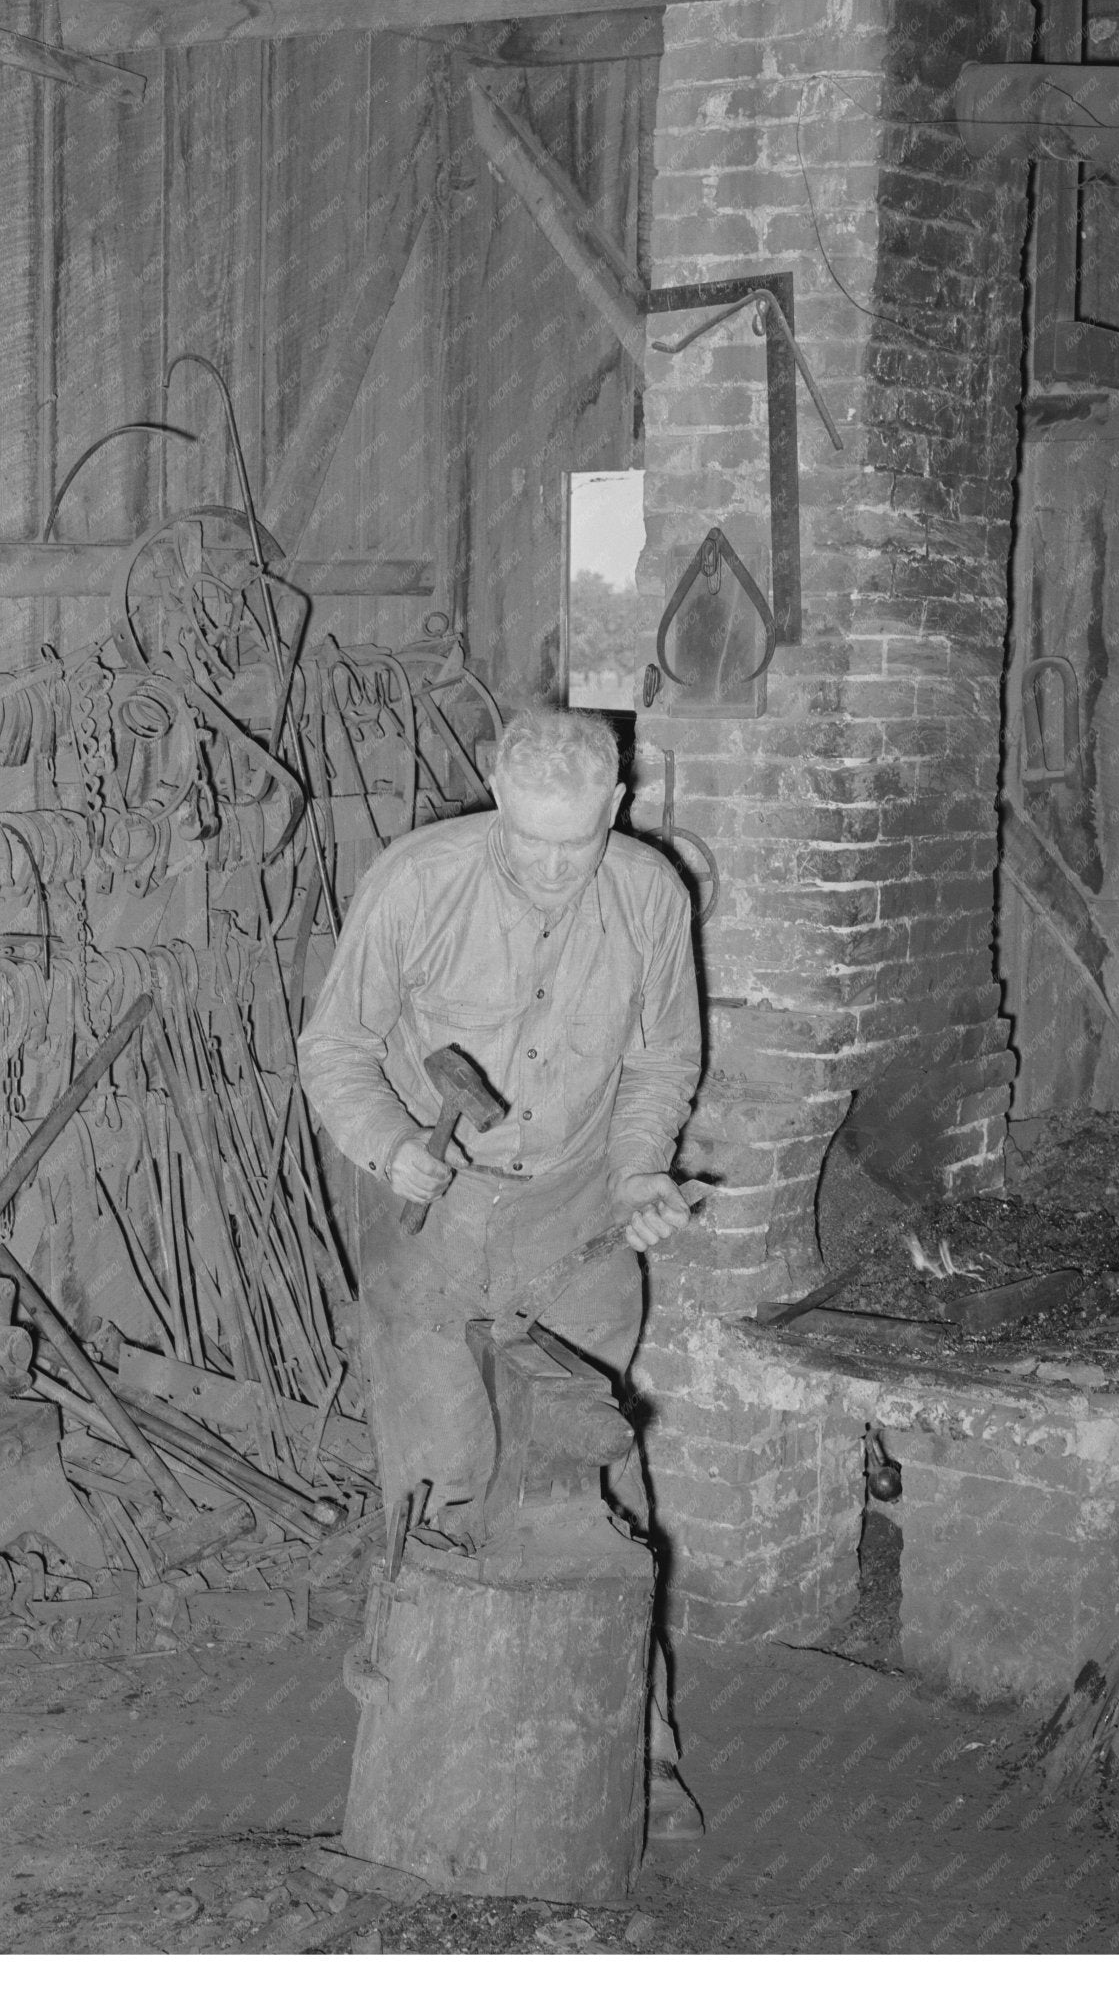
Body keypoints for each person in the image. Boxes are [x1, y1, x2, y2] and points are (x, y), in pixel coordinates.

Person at [299, 705, 704, 1837]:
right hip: (437, 1225)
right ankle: (421, 1752)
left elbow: (664, 1054)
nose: (548, 870)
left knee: (595, 1477)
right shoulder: (418, 883)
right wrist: (389, 1146)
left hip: (579, 1222)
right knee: (439, 1481)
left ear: (615, 810)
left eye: (574, 846)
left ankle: (637, 1755)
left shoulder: (647, 895)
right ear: (493, 792)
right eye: (527, 843)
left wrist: (637, 1176)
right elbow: (333, 1047)